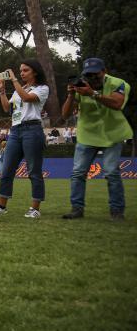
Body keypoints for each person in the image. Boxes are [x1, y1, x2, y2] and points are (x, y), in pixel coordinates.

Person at [61, 58, 132, 221]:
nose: (92, 78)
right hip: (87, 135)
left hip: (112, 134)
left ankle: (117, 211)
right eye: (88, 74)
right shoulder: (81, 87)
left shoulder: (119, 83)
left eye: (96, 74)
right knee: (78, 173)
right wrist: (71, 95)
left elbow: (117, 103)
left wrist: (92, 93)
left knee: (111, 172)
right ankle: (77, 209)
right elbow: (64, 115)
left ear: (104, 71)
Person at [0, 60, 49, 218]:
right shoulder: (19, 89)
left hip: (32, 129)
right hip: (15, 130)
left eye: (25, 70)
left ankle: (35, 208)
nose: (22, 73)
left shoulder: (42, 88)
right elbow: (7, 108)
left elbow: (26, 98)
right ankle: (1, 206)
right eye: (20, 71)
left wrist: (13, 79)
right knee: (6, 169)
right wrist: (2, 91)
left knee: (34, 171)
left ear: (35, 72)